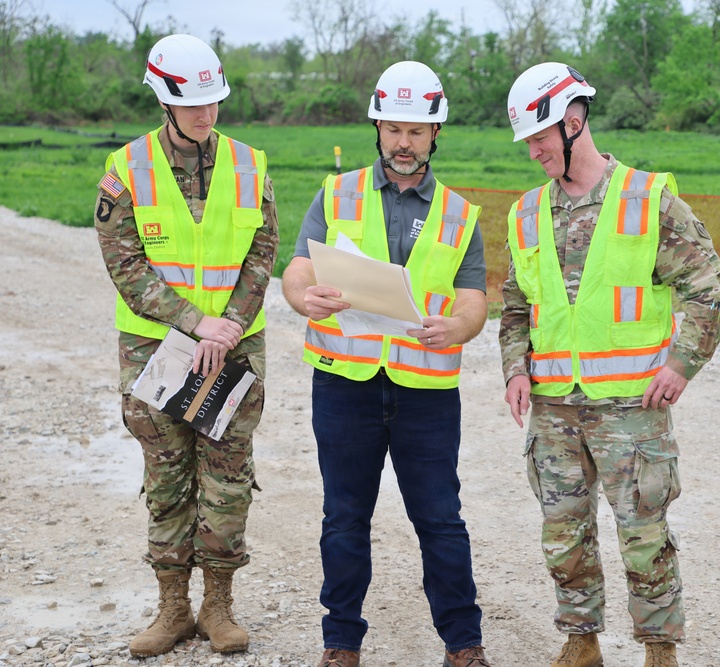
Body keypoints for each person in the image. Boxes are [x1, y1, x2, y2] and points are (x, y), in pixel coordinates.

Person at [500, 62, 720, 667]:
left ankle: (659, 651)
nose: (533, 151)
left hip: (633, 406)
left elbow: (708, 287)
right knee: (563, 533)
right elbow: (516, 304)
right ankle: (581, 642)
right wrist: (515, 369)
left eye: (541, 138)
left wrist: (682, 364)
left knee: (644, 536)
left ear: (574, 123)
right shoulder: (525, 214)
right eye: (527, 141)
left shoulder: (649, 199)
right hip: (553, 407)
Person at [281, 61, 491, 667]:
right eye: (394, 129)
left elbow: (474, 298)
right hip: (345, 385)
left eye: (417, 131)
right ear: (377, 127)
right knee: (344, 519)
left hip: (425, 392)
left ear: (435, 134)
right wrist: (303, 297)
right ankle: (341, 643)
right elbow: (300, 268)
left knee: (441, 521)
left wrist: (460, 325)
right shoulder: (337, 192)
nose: (404, 143)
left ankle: (463, 644)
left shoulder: (460, 213)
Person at [95, 34, 277, 657]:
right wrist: (195, 321)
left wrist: (226, 327)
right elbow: (126, 265)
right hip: (155, 352)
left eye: (213, 102)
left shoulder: (251, 165)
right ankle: (172, 608)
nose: (205, 114)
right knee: (168, 476)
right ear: (163, 100)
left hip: (234, 349)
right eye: (193, 104)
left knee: (227, 478)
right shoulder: (126, 169)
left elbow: (262, 252)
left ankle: (218, 607)